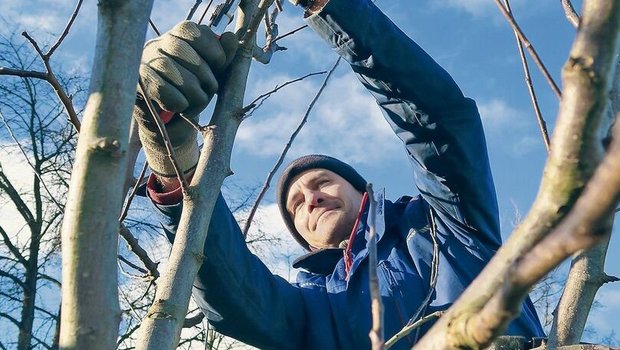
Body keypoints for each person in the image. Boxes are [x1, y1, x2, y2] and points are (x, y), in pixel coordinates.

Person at [134, 0, 546, 348]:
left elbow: (438, 126)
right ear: (301, 237)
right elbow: (236, 294)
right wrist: (175, 161)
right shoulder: (313, 310)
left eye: (321, 183)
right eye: (297, 205)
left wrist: (333, 7)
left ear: (363, 192)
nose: (310, 198)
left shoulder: (445, 227)